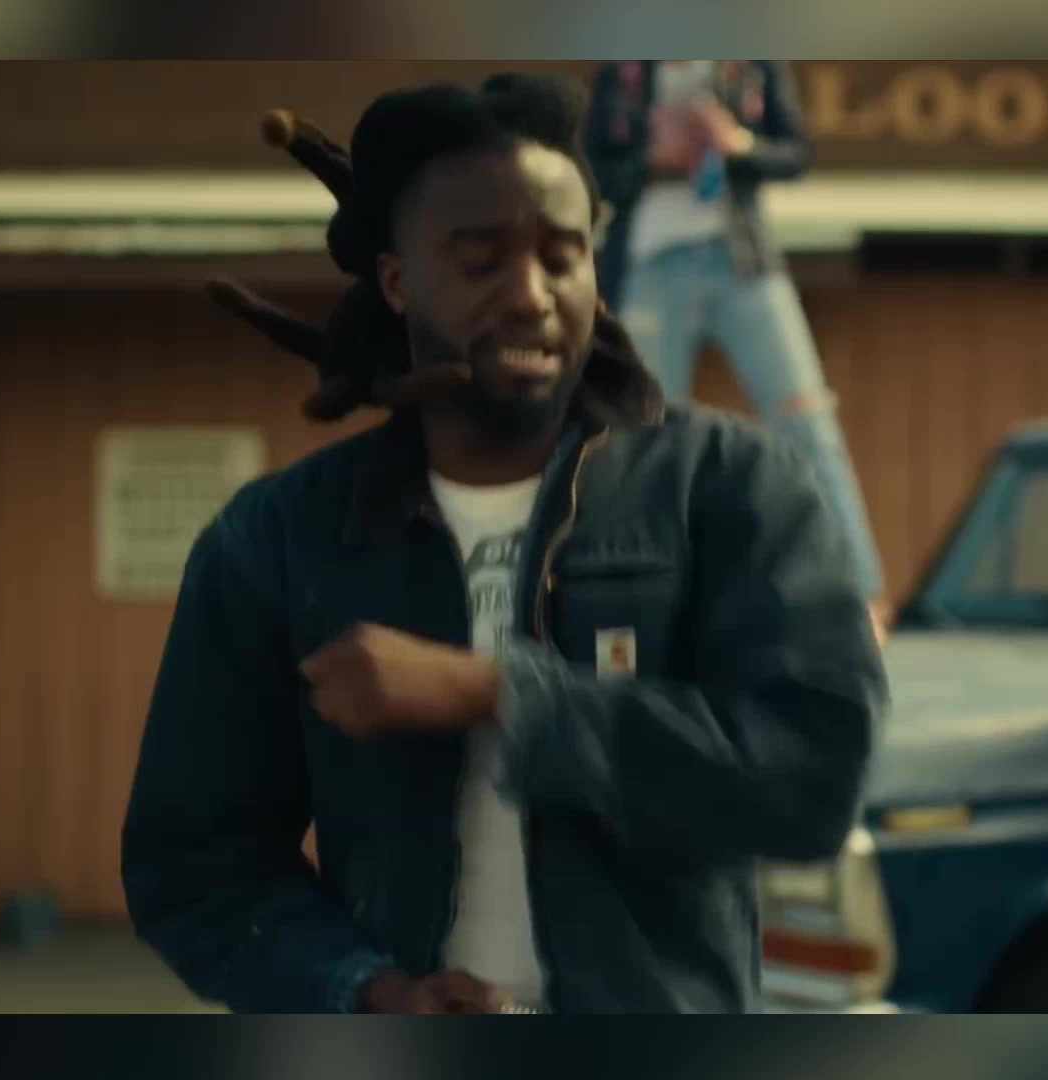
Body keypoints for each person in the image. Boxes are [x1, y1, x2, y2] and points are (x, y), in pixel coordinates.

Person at [120, 73, 886, 1015]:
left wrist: (501, 697)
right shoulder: (280, 539)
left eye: (564, 256)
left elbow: (816, 776)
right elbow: (193, 864)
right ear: (397, 282)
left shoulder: (726, 488)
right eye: (480, 260)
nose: (530, 295)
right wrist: (367, 993)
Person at [583, 61, 888, 633]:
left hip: (741, 259)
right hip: (650, 264)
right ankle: (647, 604)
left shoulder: (753, 54)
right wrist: (651, 156)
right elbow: (591, 169)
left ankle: (859, 597)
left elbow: (796, 153)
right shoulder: (622, 66)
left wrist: (736, 143)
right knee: (642, 438)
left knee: (807, 419)